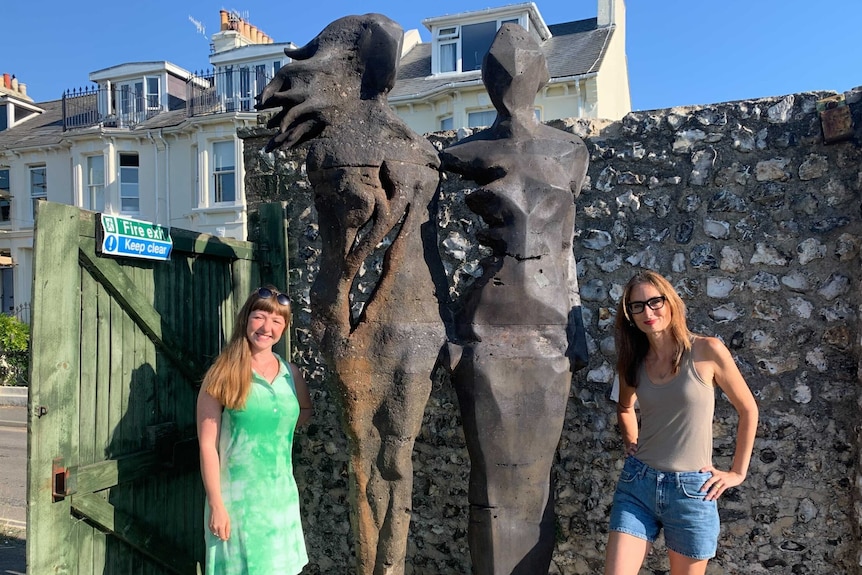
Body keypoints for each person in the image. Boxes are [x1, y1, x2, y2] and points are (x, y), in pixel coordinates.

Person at [605, 270, 758, 575]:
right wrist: (631, 444)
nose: (648, 312)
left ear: (671, 301)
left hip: (691, 492)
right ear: (630, 315)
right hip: (638, 486)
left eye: (654, 301)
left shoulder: (707, 350)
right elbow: (624, 407)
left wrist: (737, 472)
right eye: (637, 306)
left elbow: (748, 409)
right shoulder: (633, 361)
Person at [196, 286, 313, 575]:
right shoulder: (223, 374)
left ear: (284, 328)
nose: (266, 328)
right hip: (237, 505)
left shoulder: (291, 374)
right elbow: (207, 446)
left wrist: (272, 427)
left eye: (277, 321)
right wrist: (217, 505)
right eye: (260, 317)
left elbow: (305, 411)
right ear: (246, 319)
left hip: (281, 499)